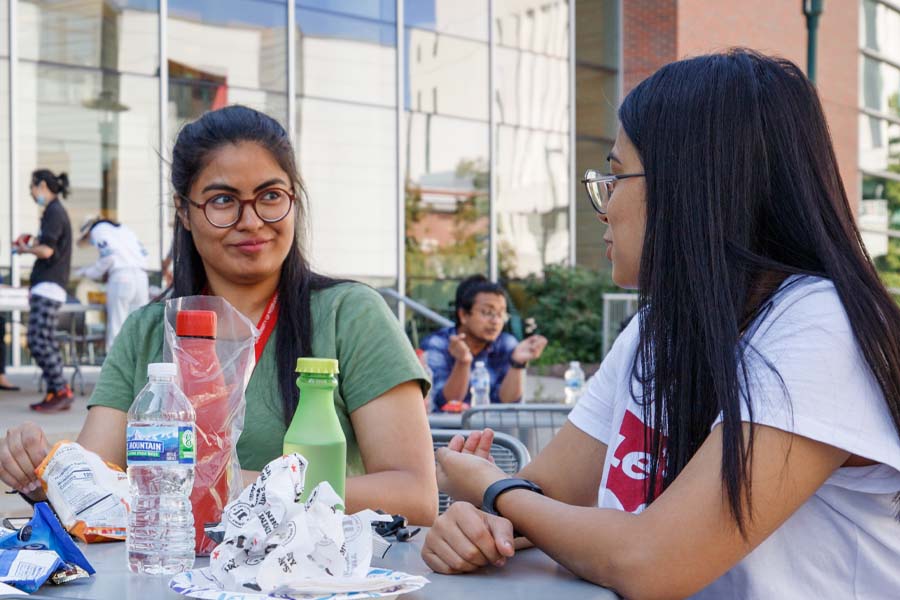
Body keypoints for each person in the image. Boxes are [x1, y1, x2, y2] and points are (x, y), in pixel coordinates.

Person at [421, 49, 900, 599]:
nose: (603, 205)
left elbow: (653, 560)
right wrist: (478, 520)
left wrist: (496, 492)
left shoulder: (820, 328)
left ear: (697, 186)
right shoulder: (656, 332)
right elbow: (548, 496)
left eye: (618, 175)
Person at [0, 106, 438, 524]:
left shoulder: (350, 315)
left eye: (270, 196)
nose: (251, 220)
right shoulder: (147, 329)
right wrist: (41, 474)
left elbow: (414, 496)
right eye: (223, 200)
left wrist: (227, 489)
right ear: (183, 212)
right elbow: (98, 486)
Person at [420, 275, 547, 411]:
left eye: (501, 314)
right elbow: (446, 404)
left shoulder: (506, 343)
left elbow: (508, 404)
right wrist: (463, 362)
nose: (495, 321)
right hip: (449, 430)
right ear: (463, 315)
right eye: (487, 312)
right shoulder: (438, 343)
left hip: (492, 429)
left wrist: (517, 363)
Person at [13, 170, 73, 412]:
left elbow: (47, 250)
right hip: (49, 285)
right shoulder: (54, 211)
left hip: (48, 285)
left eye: (32, 186)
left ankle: (60, 390)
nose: (31, 191)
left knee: (37, 340)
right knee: (44, 340)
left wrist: (25, 249)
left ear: (42, 185)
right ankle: (56, 391)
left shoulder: (53, 212)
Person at [75, 216, 150, 348]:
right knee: (138, 328)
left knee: (117, 327)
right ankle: (138, 365)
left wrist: (87, 272)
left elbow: (108, 257)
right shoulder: (125, 229)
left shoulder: (97, 230)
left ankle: (114, 367)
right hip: (142, 277)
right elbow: (145, 254)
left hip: (121, 277)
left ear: (87, 232)